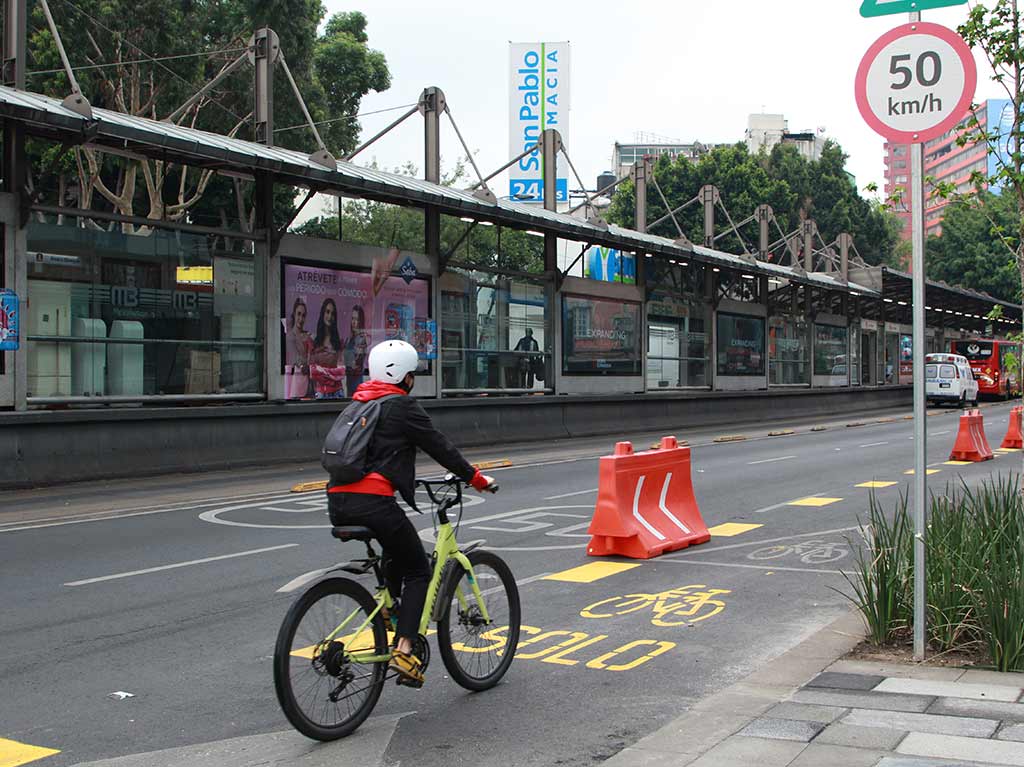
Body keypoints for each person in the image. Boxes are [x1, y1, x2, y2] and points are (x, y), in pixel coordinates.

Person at [327, 340, 496, 686]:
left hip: (337, 501)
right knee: (419, 568)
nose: (413, 380)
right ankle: (404, 648)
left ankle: (390, 609)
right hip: (373, 503)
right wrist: (476, 479)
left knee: (395, 550)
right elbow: (439, 446)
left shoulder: (359, 404)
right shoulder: (401, 406)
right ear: (403, 375)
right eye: (412, 374)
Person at [311, 299, 343, 398]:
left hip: (337, 392)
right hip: (320, 392)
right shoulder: (315, 342)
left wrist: (322, 371)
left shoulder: (338, 342)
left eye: (332, 313)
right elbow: (313, 372)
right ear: (323, 313)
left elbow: (341, 371)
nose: (329, 316)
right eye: (327, 312)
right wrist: (332, 374)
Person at [284, 297, 313, 399]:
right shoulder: (290, 337)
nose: (301, 319)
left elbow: (313, 360)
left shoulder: (307, 336)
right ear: (294, 315)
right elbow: (296, 360)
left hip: (307, 384)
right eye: (299, 314)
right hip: (295, 383)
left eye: (303, 315)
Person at [342, 304, 369, 397]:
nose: (354, 322)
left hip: (356, 379)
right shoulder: (349, 339)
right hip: (349, 379)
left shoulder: (361, 339)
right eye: (353, 318)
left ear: (360, 322)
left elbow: (357, 363)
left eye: (357, 319)